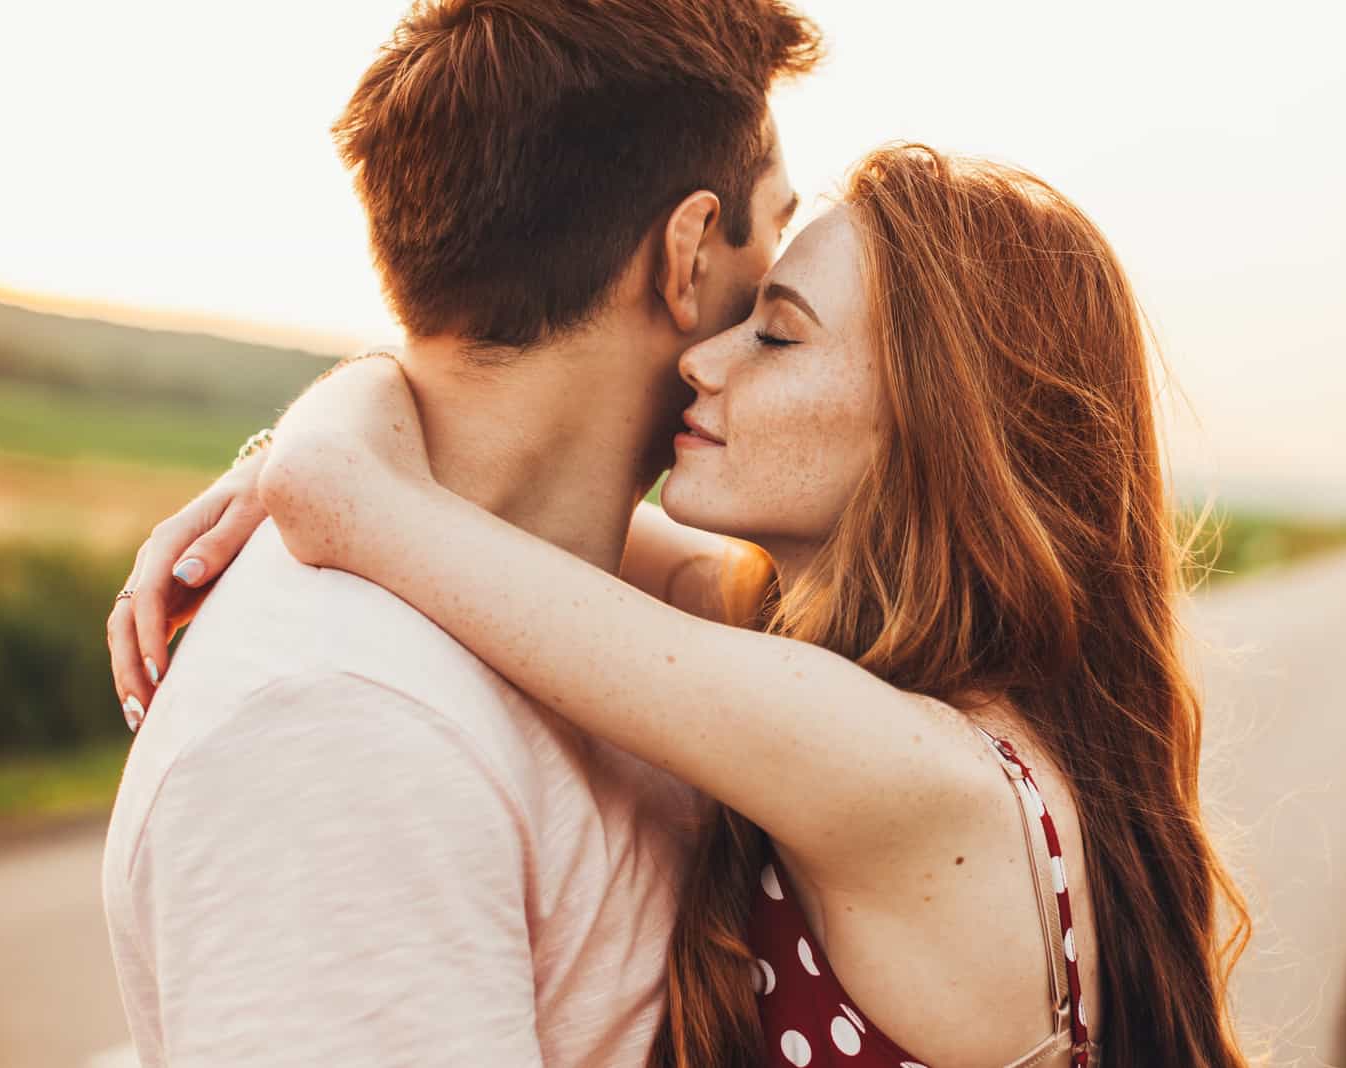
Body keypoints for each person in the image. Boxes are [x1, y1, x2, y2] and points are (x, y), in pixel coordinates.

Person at [114, 147, 1254, 1066]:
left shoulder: (896, 764)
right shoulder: (852, 679)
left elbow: (351, 501)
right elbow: (477, 511)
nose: (706, 358)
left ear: (932, 424)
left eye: (776, 332)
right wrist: (319, 438)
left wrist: (293, 460)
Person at [99, 1, 822, 1064]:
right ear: (689, 251)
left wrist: (323, 444)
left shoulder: (615, 607)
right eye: (776, 231)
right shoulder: (341, 729)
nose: (774, 296)